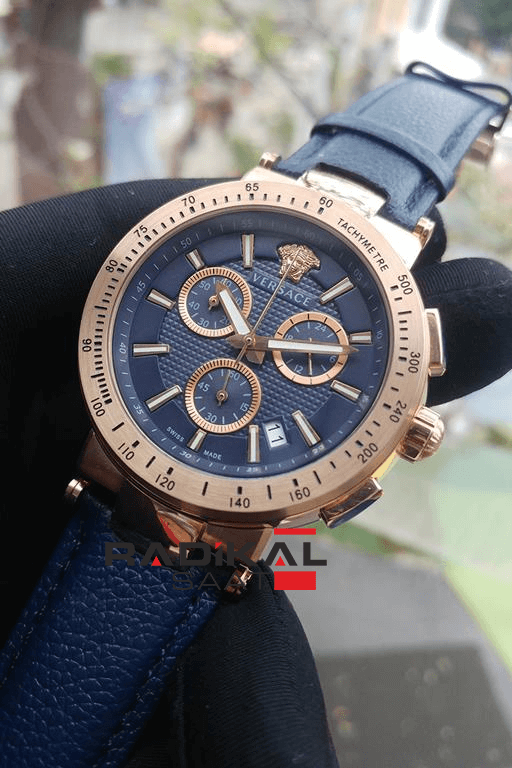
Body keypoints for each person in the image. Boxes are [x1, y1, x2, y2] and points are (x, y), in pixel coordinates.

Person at [1, 177, 511, 767]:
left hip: (192, 527)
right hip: (113, 463)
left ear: (412, 432)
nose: (250, 346)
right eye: (240, 331)